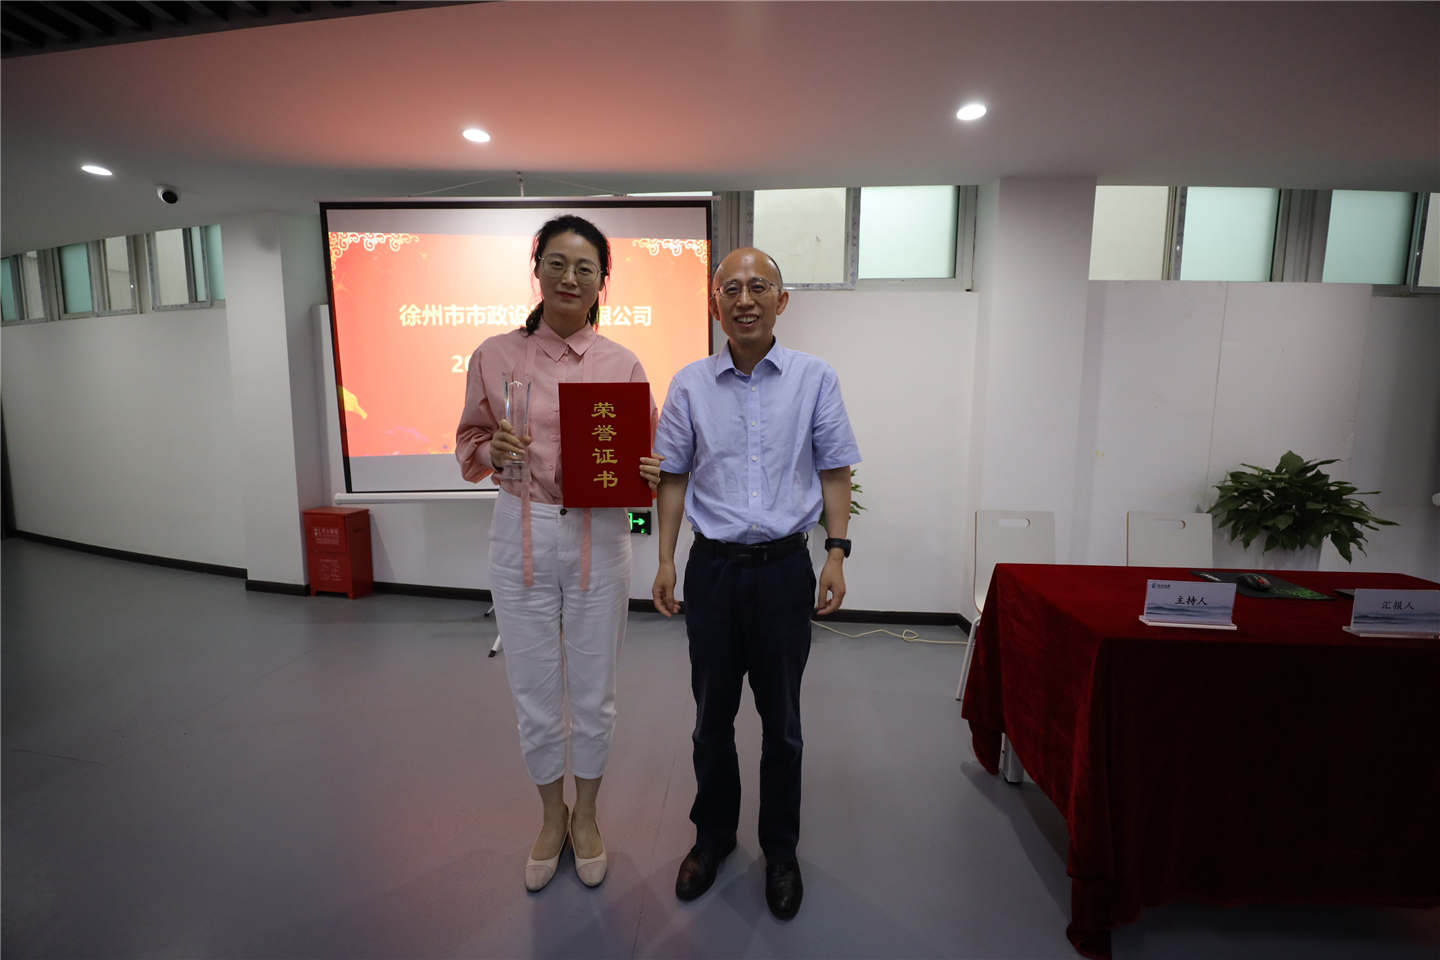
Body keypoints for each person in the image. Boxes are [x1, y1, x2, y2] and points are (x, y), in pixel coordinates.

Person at [644, 246, 860, 920]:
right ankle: (712, 838)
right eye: (731, 288)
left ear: (781, 300)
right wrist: (666, 559)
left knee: (783, 723)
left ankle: (781, 850)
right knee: (711, 720)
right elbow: (673, 476)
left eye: (759, 287)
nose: (745, 299)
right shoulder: (689, 384)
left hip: (784, 573)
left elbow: (834, 469)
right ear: (715, 304)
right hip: (712, 572)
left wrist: (836, 553)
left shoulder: (814, 378)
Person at [456, 215, 655, 893]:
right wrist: (491, 450)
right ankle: (551, 816)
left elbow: (641, 459)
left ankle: (588, 814)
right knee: (534, 691)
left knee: (596, 692)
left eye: (586, 268)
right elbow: (468, 445)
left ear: (603, 281)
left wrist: (648, 472)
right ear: (537, 268)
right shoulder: (494, 355)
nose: (571, 278)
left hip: (600, 534)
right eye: (558, 264)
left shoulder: (622, 363)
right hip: (521, 529)